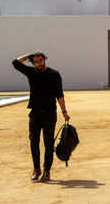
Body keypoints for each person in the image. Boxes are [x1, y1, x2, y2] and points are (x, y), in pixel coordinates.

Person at [12, 51, 70, 181]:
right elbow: (15, 63)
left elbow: (59, 94)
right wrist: (29, 55)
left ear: (45, 59)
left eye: (41, 60)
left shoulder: (54, 74)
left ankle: (47, 171)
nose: (39, 63)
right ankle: (36, 169)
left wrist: (64, 112)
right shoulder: (31, 72)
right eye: (36, 61)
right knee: (34, 142)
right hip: (35, 114)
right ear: (33, 63)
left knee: (48, 144)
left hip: (49, 114)